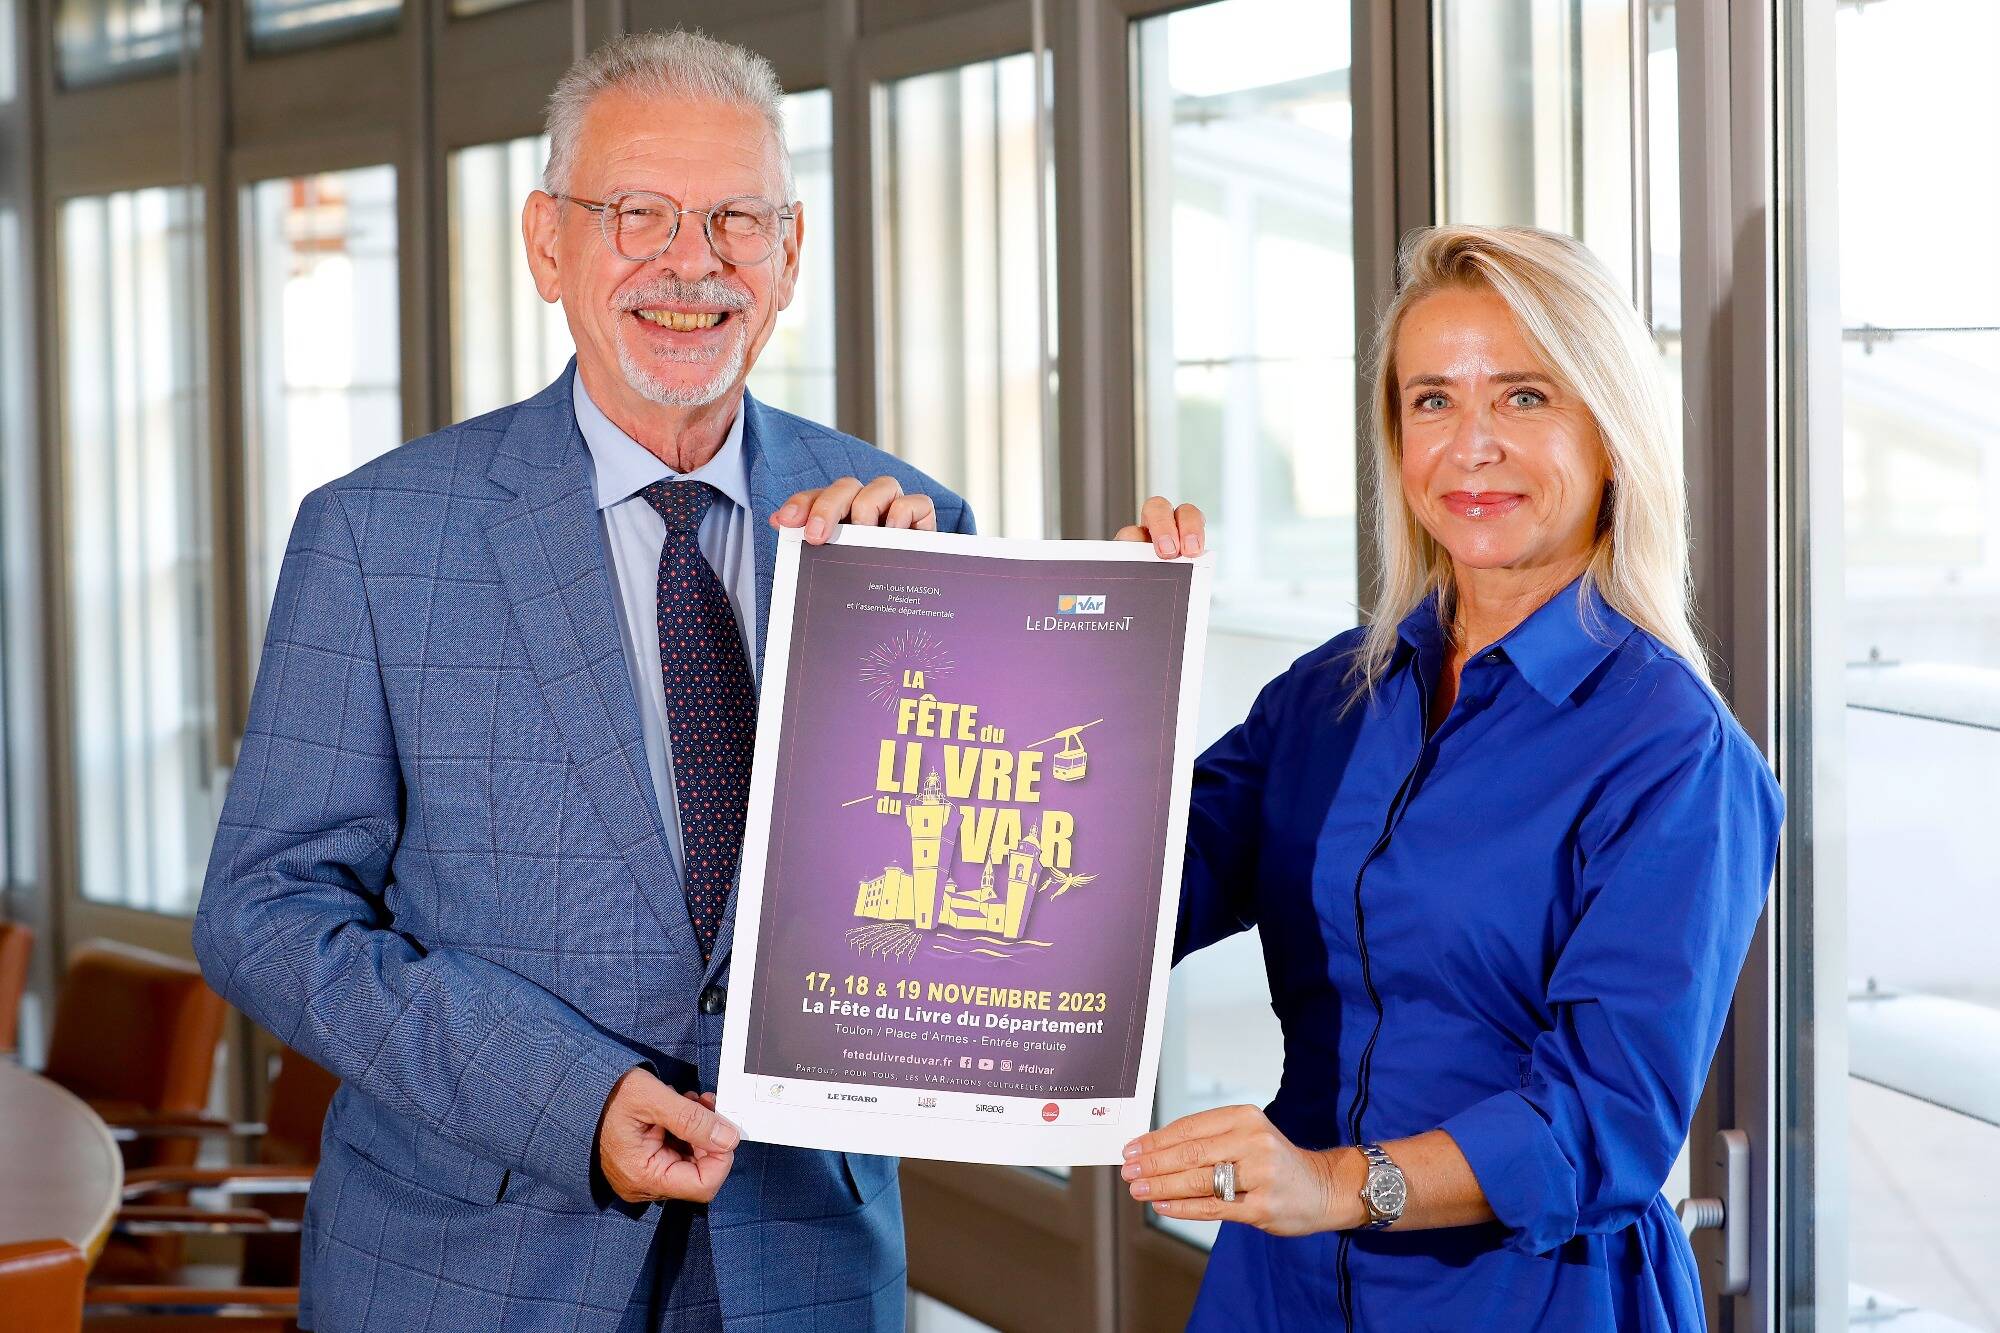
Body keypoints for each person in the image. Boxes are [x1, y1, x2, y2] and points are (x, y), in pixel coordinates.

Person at [195, 30, 970, 1332]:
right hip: (473, 1274)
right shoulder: (380, 538)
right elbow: (266, 913)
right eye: (638, 214)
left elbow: (962, 906)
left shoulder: (907, 532)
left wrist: (1047, 648)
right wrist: (569, 1096)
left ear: (790, 253)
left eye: (736, 218)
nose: (692, 261)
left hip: (807, 1271)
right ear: (548, 242)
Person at [1116, 225, 1783, 1329]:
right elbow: (1110, 903)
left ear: (1609, 432)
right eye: (1431, 401)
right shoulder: (1330, 694)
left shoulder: (1674, 750)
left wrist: (1332, 1182)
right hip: (1282, 1287)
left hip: (1526, 1293)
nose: (1470, 445)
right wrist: (1093, 660)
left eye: (1523, 397)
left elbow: (1603, 1117)